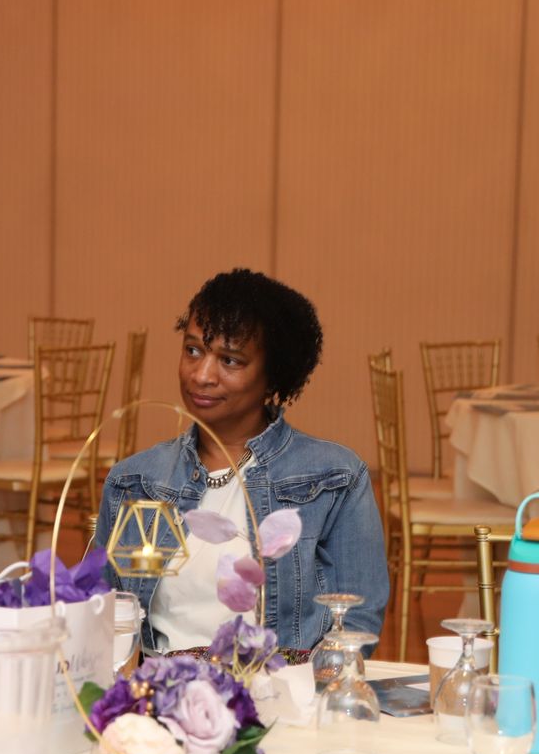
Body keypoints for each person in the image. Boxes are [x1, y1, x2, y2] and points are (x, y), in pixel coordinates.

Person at [94, 269, 388, 655]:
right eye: (193, 350)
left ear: (273, 377)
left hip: (283, 702)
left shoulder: (334, 478)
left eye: (230, 361)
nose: (201, 375)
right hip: (159, 699)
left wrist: (288, 693)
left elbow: (356, 622)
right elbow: (103, 614)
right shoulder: (135, 480)